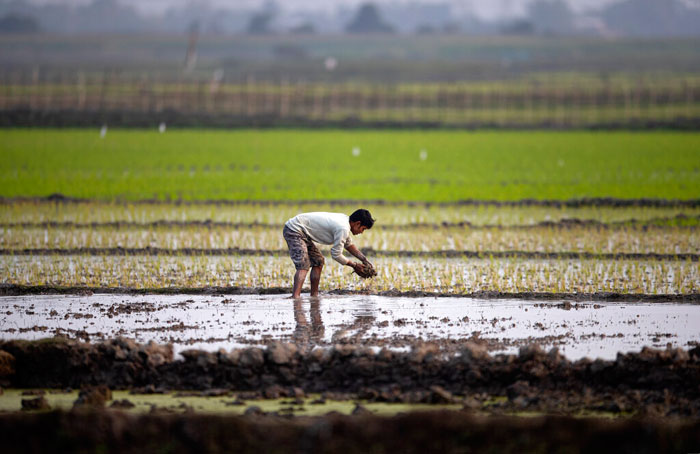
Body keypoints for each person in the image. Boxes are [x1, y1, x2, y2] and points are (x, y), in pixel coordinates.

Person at [283, 209, 374, 298]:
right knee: (303, 264)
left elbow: (348, 244)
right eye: (363, 229)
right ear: (357, 223)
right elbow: (336, 254)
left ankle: (314, 296)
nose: (362, 232)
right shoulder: (343, 227)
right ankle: (295, 297)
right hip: (294, 230)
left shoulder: (345, 222)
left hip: (302, 232)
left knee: (318, 261)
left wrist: (364, 260)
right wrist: (354, 265)